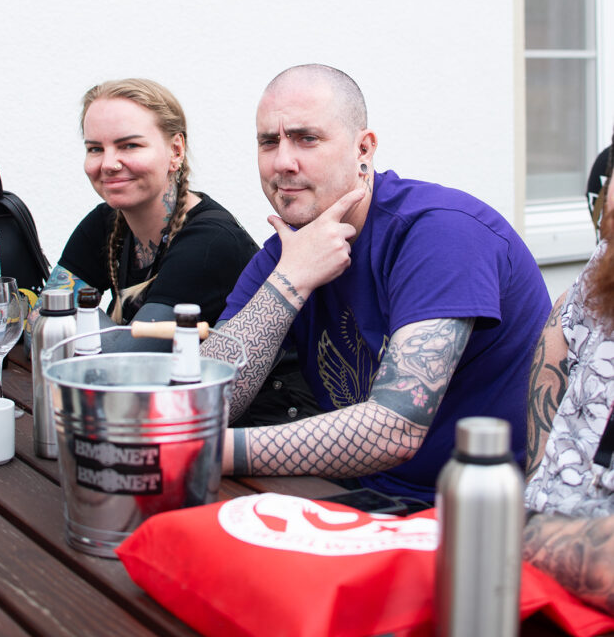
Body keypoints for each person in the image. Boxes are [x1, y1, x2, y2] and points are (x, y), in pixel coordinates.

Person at [202, 63, 551, 500]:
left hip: (484, 510)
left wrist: (209, 451)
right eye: (268, 141)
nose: (282, 162)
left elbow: (396, 427)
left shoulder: (442, 233)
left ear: (363, 148)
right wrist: (289, 281)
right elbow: (203, 403)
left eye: (307, 138)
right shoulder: (288, 255)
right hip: (368, 498)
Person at [26, 77, 259, 349]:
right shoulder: (106, 221)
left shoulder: (210, 241)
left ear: (176, 150)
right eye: (95, 149)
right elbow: (37, 331)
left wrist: (77, 320)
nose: (108, 164)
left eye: (129, 145)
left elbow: (129, 363)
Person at [523, 140, 614, 617]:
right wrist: (538, 481)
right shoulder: (606, 262)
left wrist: (510, 531)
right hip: (545, 584)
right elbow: (562, 329)